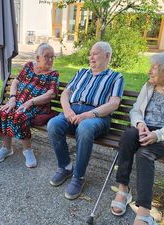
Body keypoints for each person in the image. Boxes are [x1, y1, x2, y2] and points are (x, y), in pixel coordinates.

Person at [111, 52, 164, 225]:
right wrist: (140, 124)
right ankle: (123, 189)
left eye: (154, 68)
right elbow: (135, 110)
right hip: (146, 128)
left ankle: (144, 211)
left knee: (144, 154)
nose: (149, 71)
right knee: (128, 136)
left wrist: (157, 135)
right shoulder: (148, 86)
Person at [47, 41, 124, 200]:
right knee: (53, 124)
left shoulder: (116, 77)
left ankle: (79, 177)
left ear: (107, 56)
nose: (91, 57)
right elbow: (65, 94)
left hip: (97, 116)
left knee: (85, 128)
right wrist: (67, 110)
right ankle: (65, 166)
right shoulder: (81, 72)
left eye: (95, 53)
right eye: (90, 53)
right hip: (73, 111)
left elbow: (114, 103)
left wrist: (89, 115)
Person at [0, 43, 59, 168]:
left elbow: (51, 94)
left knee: (20, 115)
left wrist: (31, 102)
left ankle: (27, 150)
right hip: (19, 102)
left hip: (37, 107)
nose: (50, 60)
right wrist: (12, 99)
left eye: (52, 57)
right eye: (46, 57)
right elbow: (15, 82)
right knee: (5, 112)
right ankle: (7, 148)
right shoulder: (28, 66)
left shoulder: (53, 74)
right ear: (38, 58)